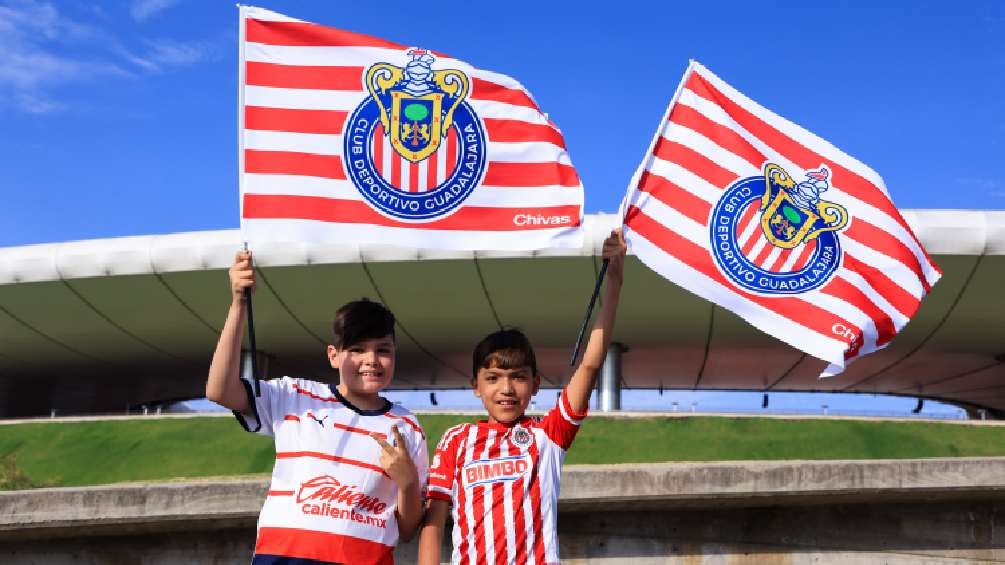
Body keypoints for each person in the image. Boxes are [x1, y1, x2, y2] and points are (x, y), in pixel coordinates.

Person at [417, 229, 627, 565]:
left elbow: (589, 364)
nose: (506, 389)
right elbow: (434, 521)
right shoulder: (456, 439)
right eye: (493, 378)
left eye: (517, 377)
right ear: (475, 386)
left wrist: (614, 281)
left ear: (535, 384)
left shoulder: (548, 434)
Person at [206, 250, 427, 565]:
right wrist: (239, 304)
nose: (371, 360)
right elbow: (219, 391)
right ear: (333, 356)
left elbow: (406, 530)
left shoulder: (407, 426)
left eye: (383, 350)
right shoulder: (294, 395)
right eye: (357, 349)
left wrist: (407, 483)